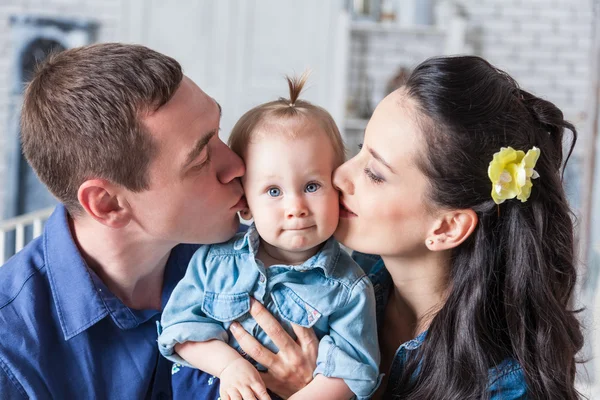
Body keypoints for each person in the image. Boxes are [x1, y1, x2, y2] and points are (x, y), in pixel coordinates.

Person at [230, 55, 584, 399]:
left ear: (446, 227)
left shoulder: (503, 385)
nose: (339, 175)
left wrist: (313, 388)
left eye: (375, 174)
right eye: (360, 149)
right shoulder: (340, 276)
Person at [0, 43, 317, 399]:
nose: (237, 166)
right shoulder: (10, 354)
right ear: (107, 204)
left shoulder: (266, 260)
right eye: (200, 160)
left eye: (218, 131)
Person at [157, 75, 380, 400]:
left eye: (312, 186)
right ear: (246, 203)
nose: (296, 207)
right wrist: (228, 366)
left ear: (337, 189)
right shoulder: (214, 261)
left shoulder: (348, 288)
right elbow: (179, 331)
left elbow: (351, 373)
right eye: (274, 191)